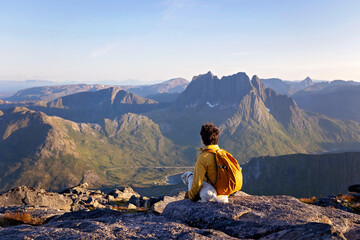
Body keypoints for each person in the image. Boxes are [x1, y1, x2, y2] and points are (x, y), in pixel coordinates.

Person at [185, 122, 221, 201]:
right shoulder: (222, 154)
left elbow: (197, 183)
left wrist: (189, 196)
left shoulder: (203, 157)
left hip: (210, 193)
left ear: (202, 140)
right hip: (223, 192)